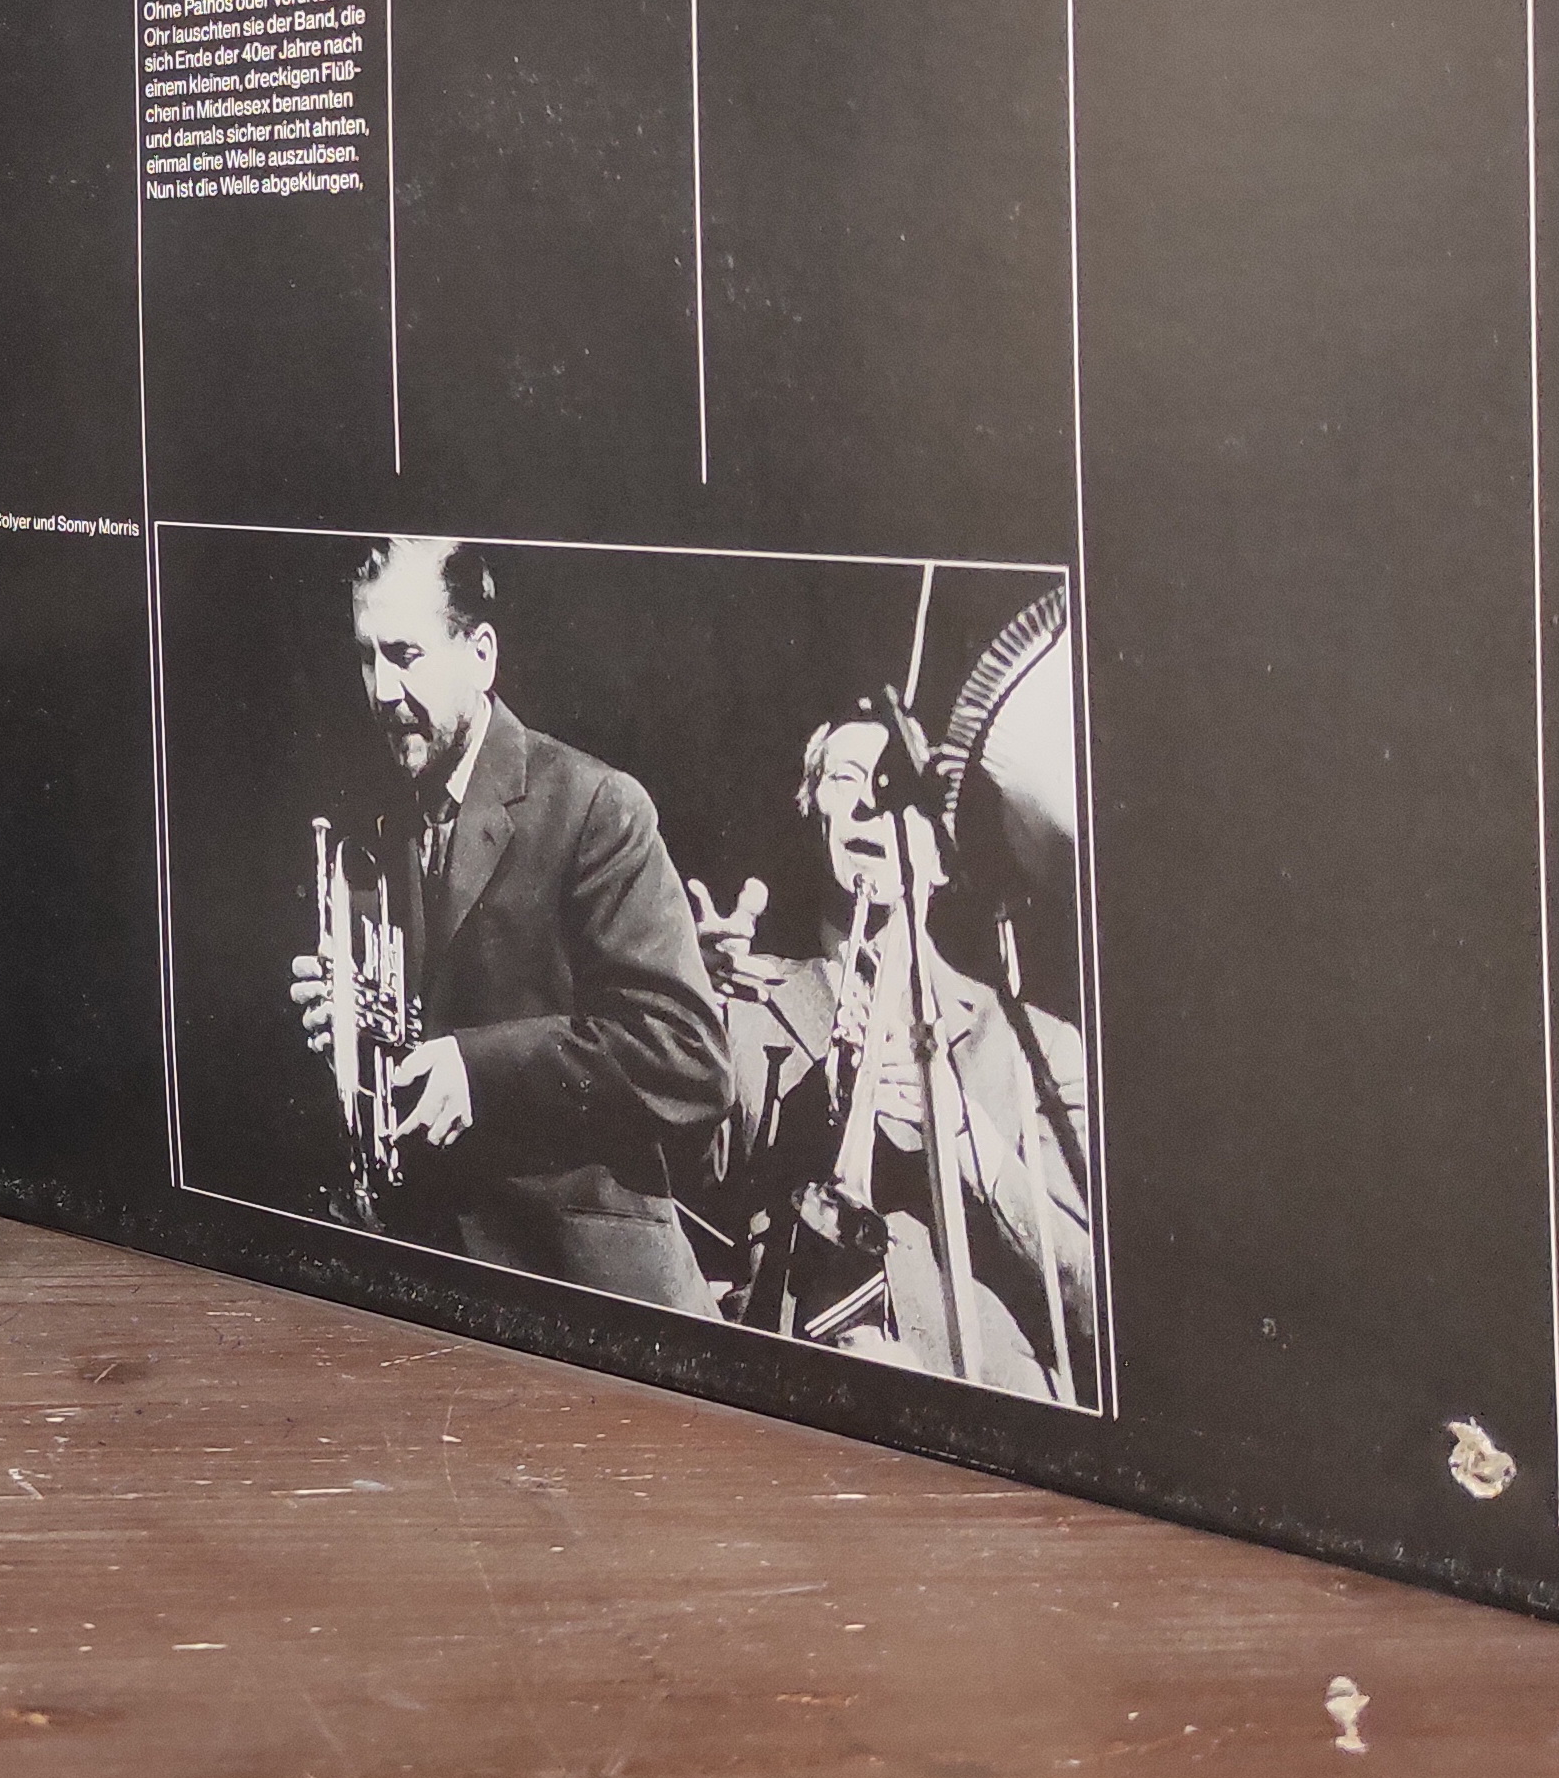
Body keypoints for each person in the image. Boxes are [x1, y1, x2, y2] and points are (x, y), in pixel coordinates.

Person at [285, 536, 730, 1311]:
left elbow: (686, 1054)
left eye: (405, 655)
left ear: (480, 654)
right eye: (365, 658)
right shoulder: (379, 820)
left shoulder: (594, 804)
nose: (382, 689)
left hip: (584, 1286)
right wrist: (349, 1033)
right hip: (437, 1279)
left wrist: (477, 1072)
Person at [694, 713, 1096, 1403]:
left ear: (941, 856)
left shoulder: (1037, 1044)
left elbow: (1091, 1293)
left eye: (893, 790)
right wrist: (686, 1003)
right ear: (810, 816)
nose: (867, 803)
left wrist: (965, 1138)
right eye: (843, 779)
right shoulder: (742, 1003)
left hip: (975, 1404)